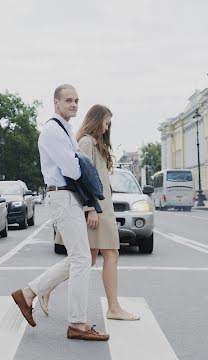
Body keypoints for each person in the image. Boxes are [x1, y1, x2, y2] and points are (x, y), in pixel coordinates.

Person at [10, 85, 110, 341]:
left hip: (69, 196)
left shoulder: (64, 128)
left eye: (77, 100)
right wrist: (81, 161)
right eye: (68, 100)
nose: (74, 104)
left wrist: (77, 159)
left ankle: (29, 293)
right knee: (80, 259)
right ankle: (77, 323)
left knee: (79, 257)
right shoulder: (53, 130)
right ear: (55, 102)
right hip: (62, 195)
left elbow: (74, 163)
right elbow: (73, 169)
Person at [38, 105, 138, 321]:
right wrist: (90, 208)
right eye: (106, 122)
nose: (107, 127)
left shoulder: (95, 143)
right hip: (96, 209)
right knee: (109, 254)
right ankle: (113, 308)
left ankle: (45, 289)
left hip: (103, 208)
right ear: (97, 120)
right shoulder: (85, 142)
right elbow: (79, 178)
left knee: (89, 259)